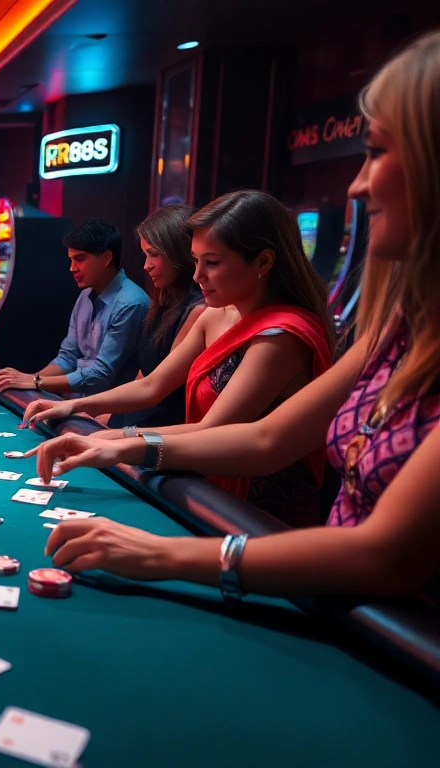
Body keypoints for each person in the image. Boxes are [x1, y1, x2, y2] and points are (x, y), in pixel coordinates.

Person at [29, 32, 440, 604]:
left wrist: (162, 551)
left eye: (375, 152)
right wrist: (111, 436)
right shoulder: (398, 325)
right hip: (333, 605)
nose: (357, 183)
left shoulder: (283, 333)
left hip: (392, 641)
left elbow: (381, 556)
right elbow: (268, 436)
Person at [23, 191, 335, 526]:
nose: (197, 275)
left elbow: (210, 431)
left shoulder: (281, 336)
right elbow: (152, 385)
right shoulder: (217, 314)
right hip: (205, 487)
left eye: (212, 263)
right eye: (196, 260)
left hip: (256, 519)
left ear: (263, 262)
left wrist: (115, 440)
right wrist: (72, 406)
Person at [0, 220, 149, 399]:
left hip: (111, 411)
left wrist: (36, 381)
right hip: (78, 403)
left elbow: (100, 374)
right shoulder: (84, 296)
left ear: (106, 258)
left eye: (80, 259)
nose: (72, 268)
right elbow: (68, 357)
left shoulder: (130, 302)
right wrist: (30, 379)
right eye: (71, 260)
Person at [132, 205, 206, 427]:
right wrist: (105, 416)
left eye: (154, 254)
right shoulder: (163, 300)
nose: (146, 265)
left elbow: (157, 390)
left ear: (180, 251)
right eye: (145, 255)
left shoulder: (199, 309)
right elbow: (142, 377)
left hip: (161, 429)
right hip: (138, 417)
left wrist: (81, 406)